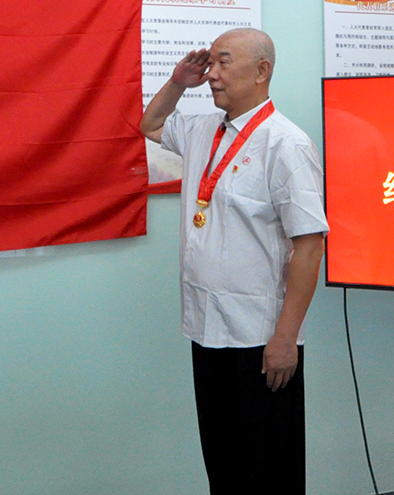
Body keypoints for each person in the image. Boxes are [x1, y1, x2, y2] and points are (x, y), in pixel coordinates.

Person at [139, 28, 328, 494]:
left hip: (260, 339)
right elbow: (150, 123)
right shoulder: (205, 129)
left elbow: (309, 246)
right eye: (211, 64)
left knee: (267, 468)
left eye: (223, 63)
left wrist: (285, 339)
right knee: (223, 461)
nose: (213, 75)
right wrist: (178, 81)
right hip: (207, 327)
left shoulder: (286, 144)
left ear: (262, 71)